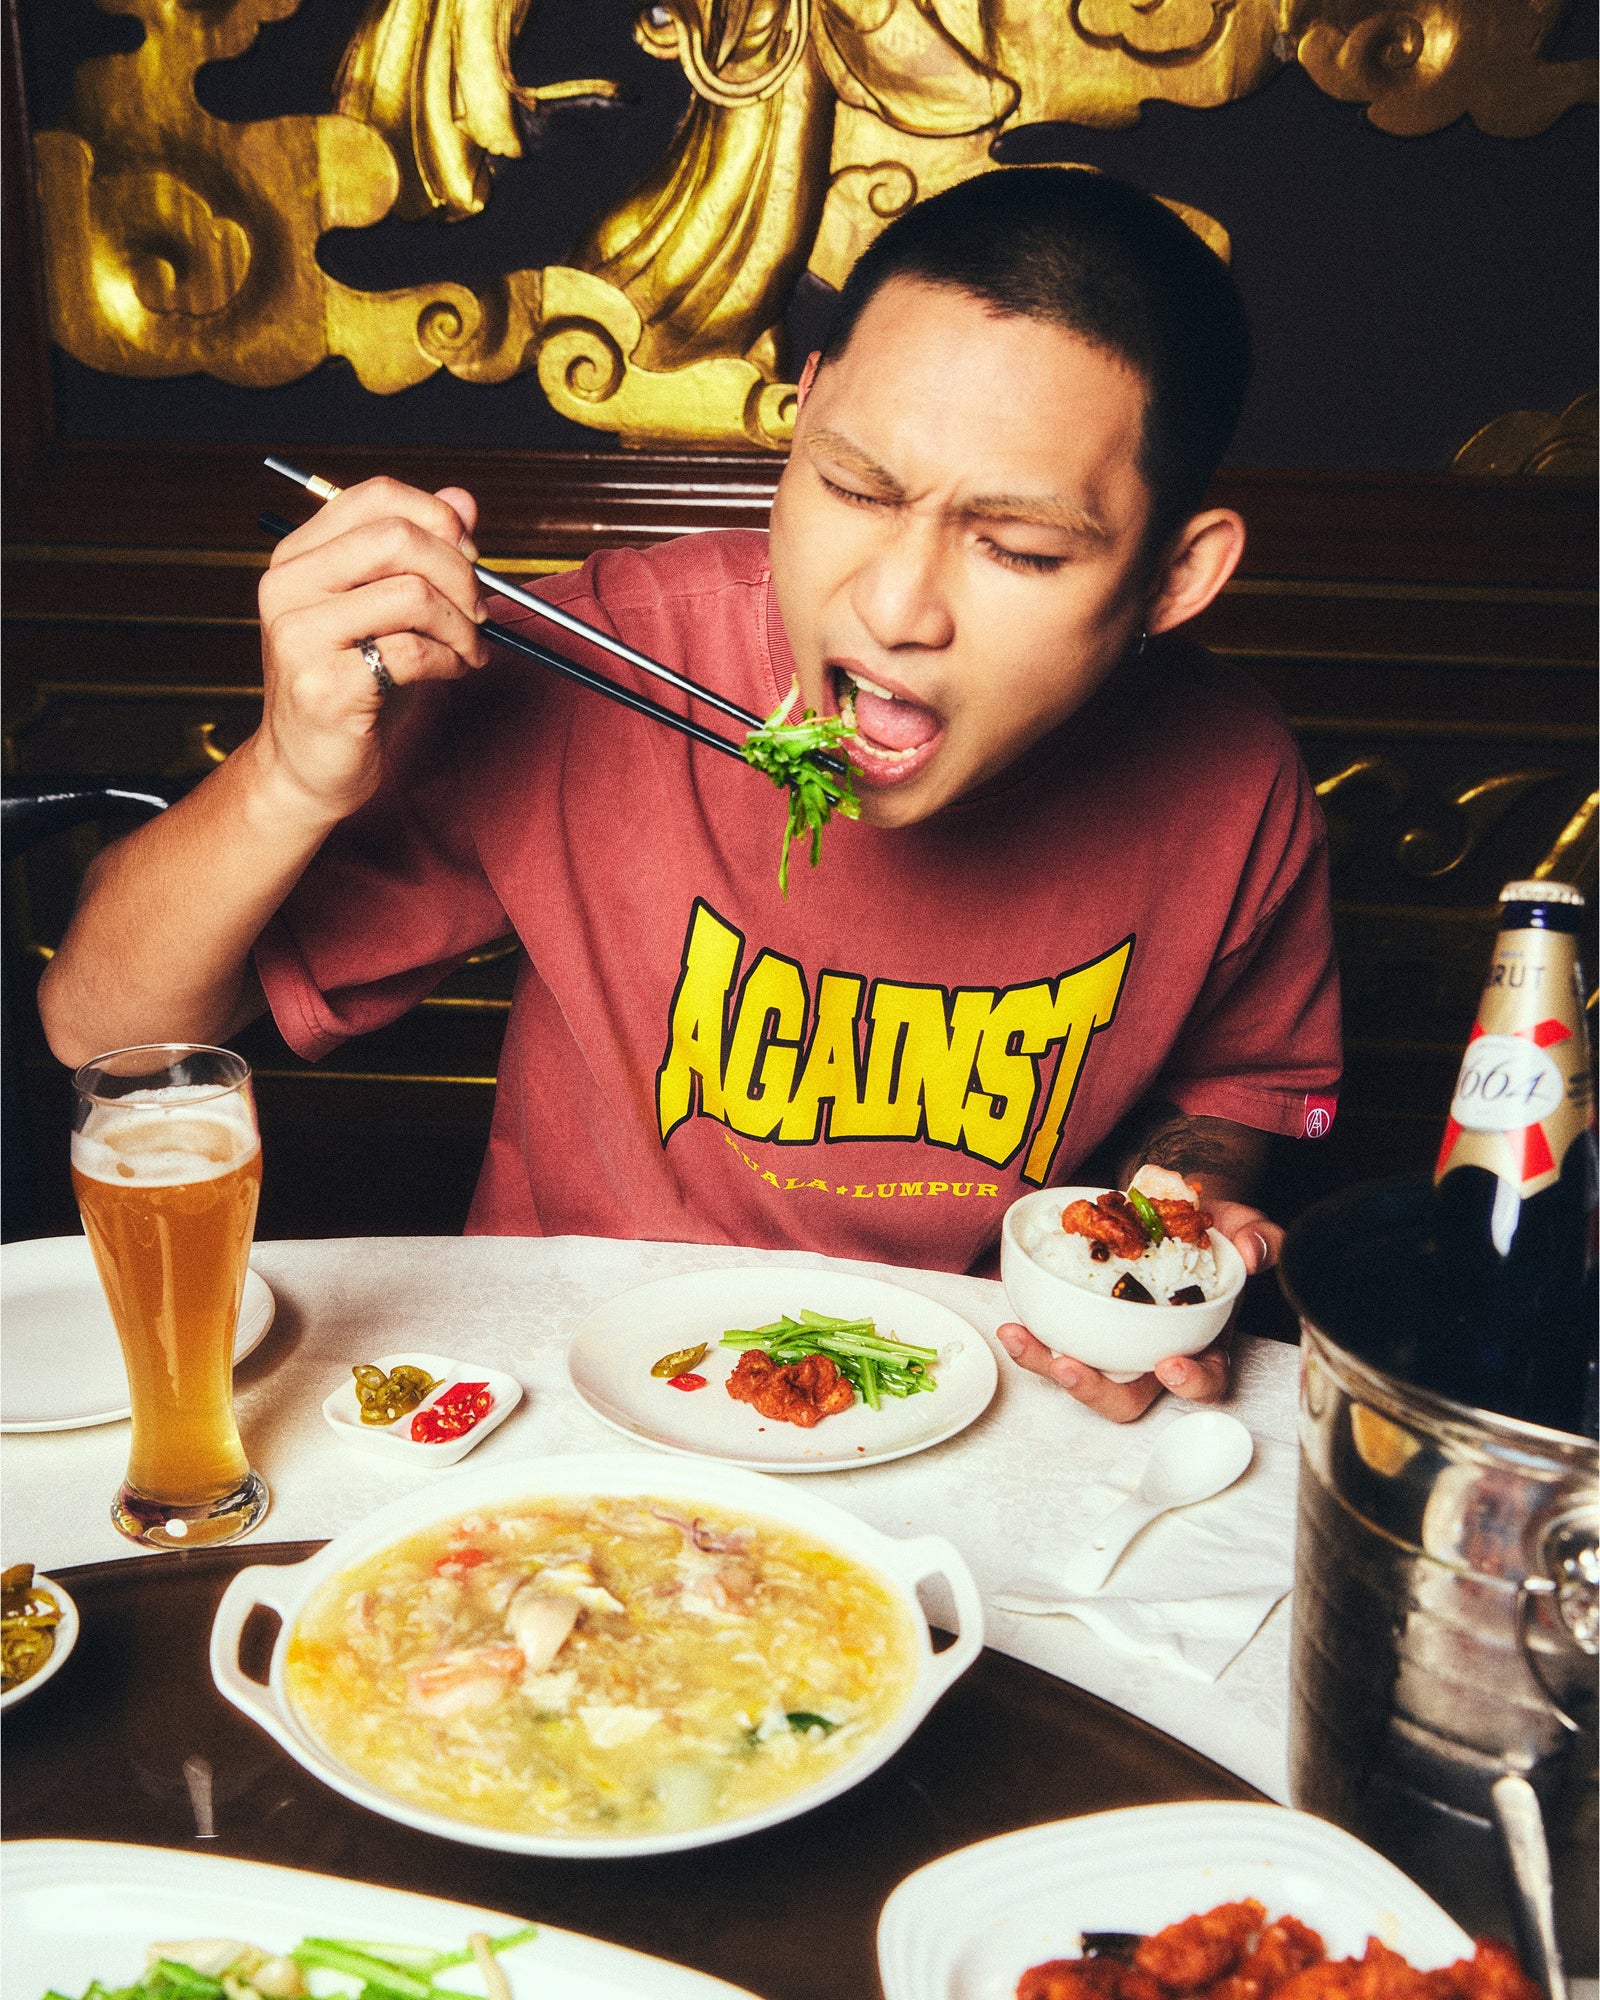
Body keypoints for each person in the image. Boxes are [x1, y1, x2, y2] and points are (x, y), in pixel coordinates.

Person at [39, 169, 1341, 1423]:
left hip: (954, 1404)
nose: (893, 609)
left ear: (1176, 575)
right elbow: (96, 1023)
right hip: (565, 1404)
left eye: (1020, 547)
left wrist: (1165, 1241)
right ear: (803, 405)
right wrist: (287, 771)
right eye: (851, 485)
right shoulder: (602, 657)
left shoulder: (1233, 779)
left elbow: (1239, 1092)